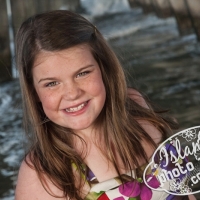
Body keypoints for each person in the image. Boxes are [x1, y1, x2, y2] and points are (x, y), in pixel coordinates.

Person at [15, 10, 196, 200]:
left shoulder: (136, 107)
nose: (72, 93)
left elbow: (184, 189)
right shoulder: (41, 176)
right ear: (34, 91)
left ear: (103, 67)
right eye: (52, 83)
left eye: (82, 73)